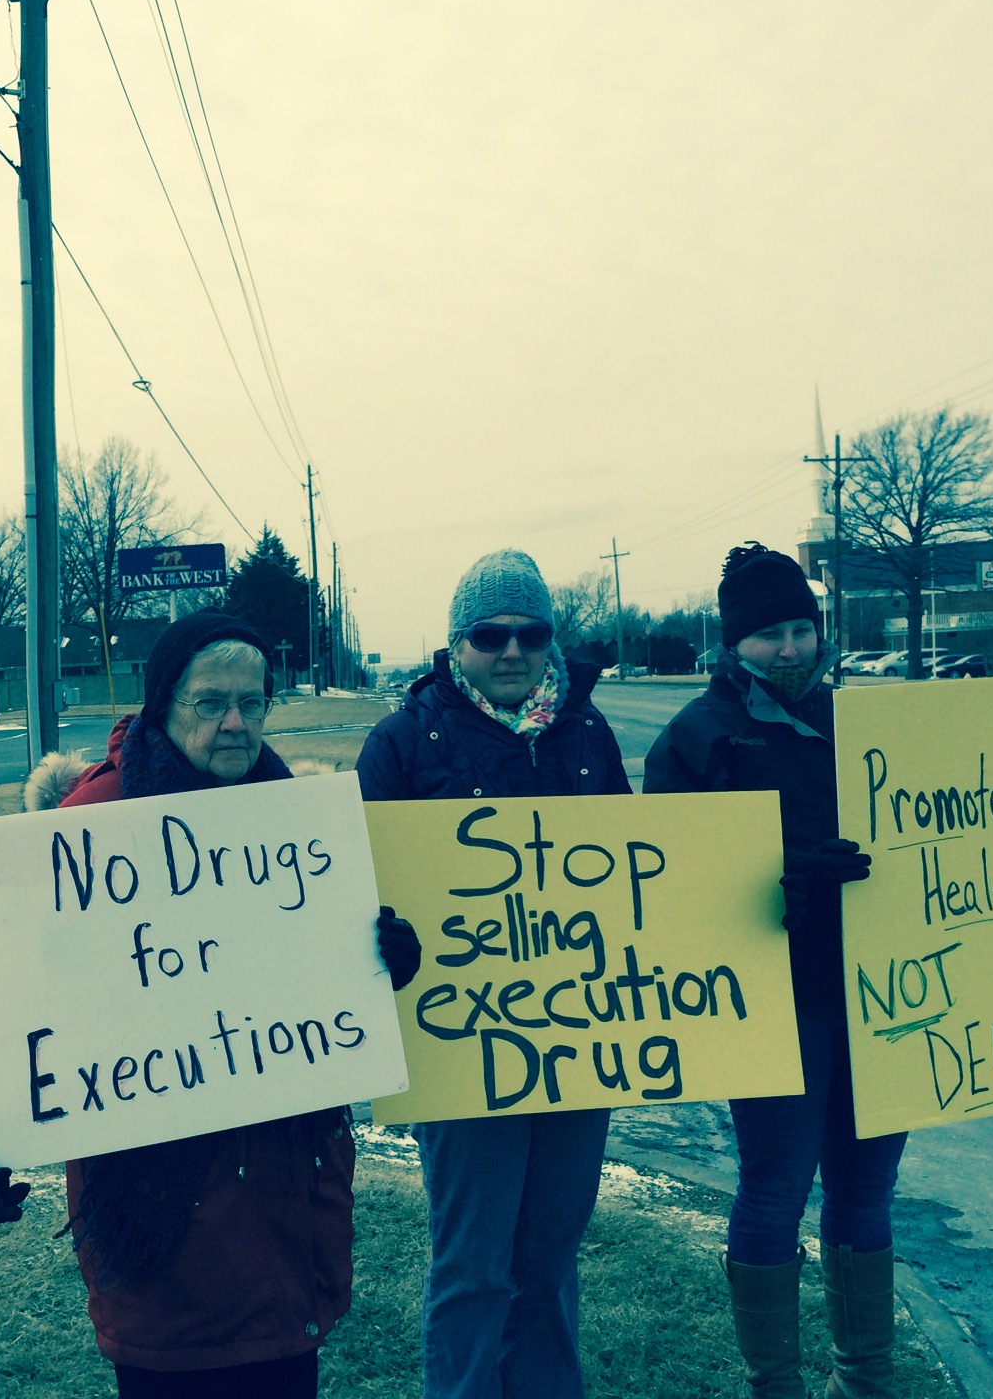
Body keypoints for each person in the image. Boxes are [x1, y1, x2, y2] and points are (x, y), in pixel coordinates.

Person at [644, 543, 993, 1399]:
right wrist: (784, 876)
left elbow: (963, 817)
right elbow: (671, 884)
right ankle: (776, 1383)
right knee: (776, 1190)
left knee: (866, 1193)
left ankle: (868, 1378)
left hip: (887, 997)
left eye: (801, 630)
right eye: (769, 636)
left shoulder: (868, 726)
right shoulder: (696, 739)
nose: (790, 649)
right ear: (732, 643)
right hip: (776, 1005)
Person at [0, 610, 423, 1399]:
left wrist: (372, 955)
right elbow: (1, 978)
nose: (235, 722)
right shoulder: (98, 816)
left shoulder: (292, 815)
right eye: (210, 702)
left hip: (285, 1196)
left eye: (254, 702)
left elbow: (313, 961)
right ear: (165, 702)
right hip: (160, 1212)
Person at [357, 549, 631, 1399]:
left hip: (577, 1043)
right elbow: (354, 884)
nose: (511, 650)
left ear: (551, 639)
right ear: (455, 643)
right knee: (474, 1266)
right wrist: (385, 939)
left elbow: (638, 874)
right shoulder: (404, 740)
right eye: (489, 634)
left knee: (548, 1263)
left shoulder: (588, 734)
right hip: (462, 1047)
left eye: (531, 632)